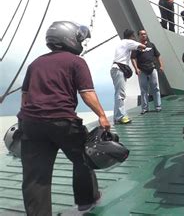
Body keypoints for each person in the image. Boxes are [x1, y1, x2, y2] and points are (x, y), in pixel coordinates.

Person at [18, 21, 110, 214]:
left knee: (35, 176)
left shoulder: (35, 63)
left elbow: (25, 96)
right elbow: (87, 92)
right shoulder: (76, 61)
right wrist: (102, 115)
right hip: (62, 122)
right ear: (68, 38)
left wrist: (26, 121)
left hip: (31, 123)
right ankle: (86, 201)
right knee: (83, 158)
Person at [111, 29, 146, 124]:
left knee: (118, 93)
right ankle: (121, 116)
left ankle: (117, 116)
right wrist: (142, 46)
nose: (134, 38)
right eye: (134, 36)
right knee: (120, 94)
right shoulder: (128, 42)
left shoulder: (121, 43)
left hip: (115, 69)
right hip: (119, 69)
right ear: (131, 36)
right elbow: (142, 46)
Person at [131, 29, 163, 114]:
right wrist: (136, 68)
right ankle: (144, 108)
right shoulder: (137, 47)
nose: (144, 35)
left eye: (145, 34)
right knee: (143, 90)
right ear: (139, 36)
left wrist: (161, 66)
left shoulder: (151, 45)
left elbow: (158, 55)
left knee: (156, 88)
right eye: (142, 34)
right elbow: (133, 58)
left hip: (152, 68)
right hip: (142, 70)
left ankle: (158, 106)